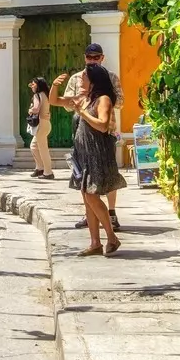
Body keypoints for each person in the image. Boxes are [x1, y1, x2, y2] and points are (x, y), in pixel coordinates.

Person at [52, 43, 124, 231]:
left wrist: (100, 95)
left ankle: (111, 213)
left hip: (105, 131)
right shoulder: (77, 78)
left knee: (108, 174)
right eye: (89, 57)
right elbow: (66, 103)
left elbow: (120, 102)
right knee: (85, 176)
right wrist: (79, 98)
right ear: (85, 58)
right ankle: (90, 214)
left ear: (102, 58)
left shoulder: (110, 77)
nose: (92, 60)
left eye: (96, 57)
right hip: (82, 132)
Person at [69, 64, 126, 256]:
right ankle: (95, 243)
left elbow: (102, 126)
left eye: (85, 75)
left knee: (92, 196)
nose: (81, 78)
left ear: (94, 80)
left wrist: (83, 113)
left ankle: (111, 237)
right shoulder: (89, 99)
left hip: (97, 153)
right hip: (84, 155)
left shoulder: (103, 99)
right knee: (87, 198)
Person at [26, 76, 54, 179]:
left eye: (33, 84)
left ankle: (48, 172)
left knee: (43, 149)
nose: (31, 86)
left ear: (38, 85)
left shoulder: (37, 95)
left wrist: (30, 110)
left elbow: (36, 109)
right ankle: (40, 168)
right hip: (46, 123)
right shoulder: (46, 95)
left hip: (41, 124)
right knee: (34, 146)